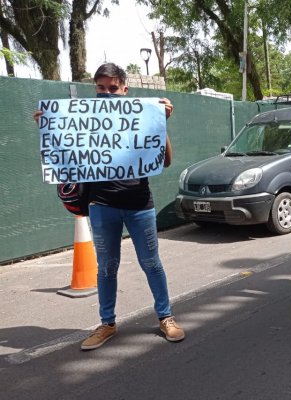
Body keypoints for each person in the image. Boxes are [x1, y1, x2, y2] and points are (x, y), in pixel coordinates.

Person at [34, 63, 185, 350]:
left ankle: (166, 317)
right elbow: (66, 157)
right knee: (106, 268)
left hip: (139, 204)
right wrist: (49, 126)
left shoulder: (142, 119)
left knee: (151, 263)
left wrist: (160, 124)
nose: (106, 93)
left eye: (113, 88)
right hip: (102, 206)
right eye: (101, 88)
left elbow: (164, 161)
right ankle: (107, 324)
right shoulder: (87, 121)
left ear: (125, 90)